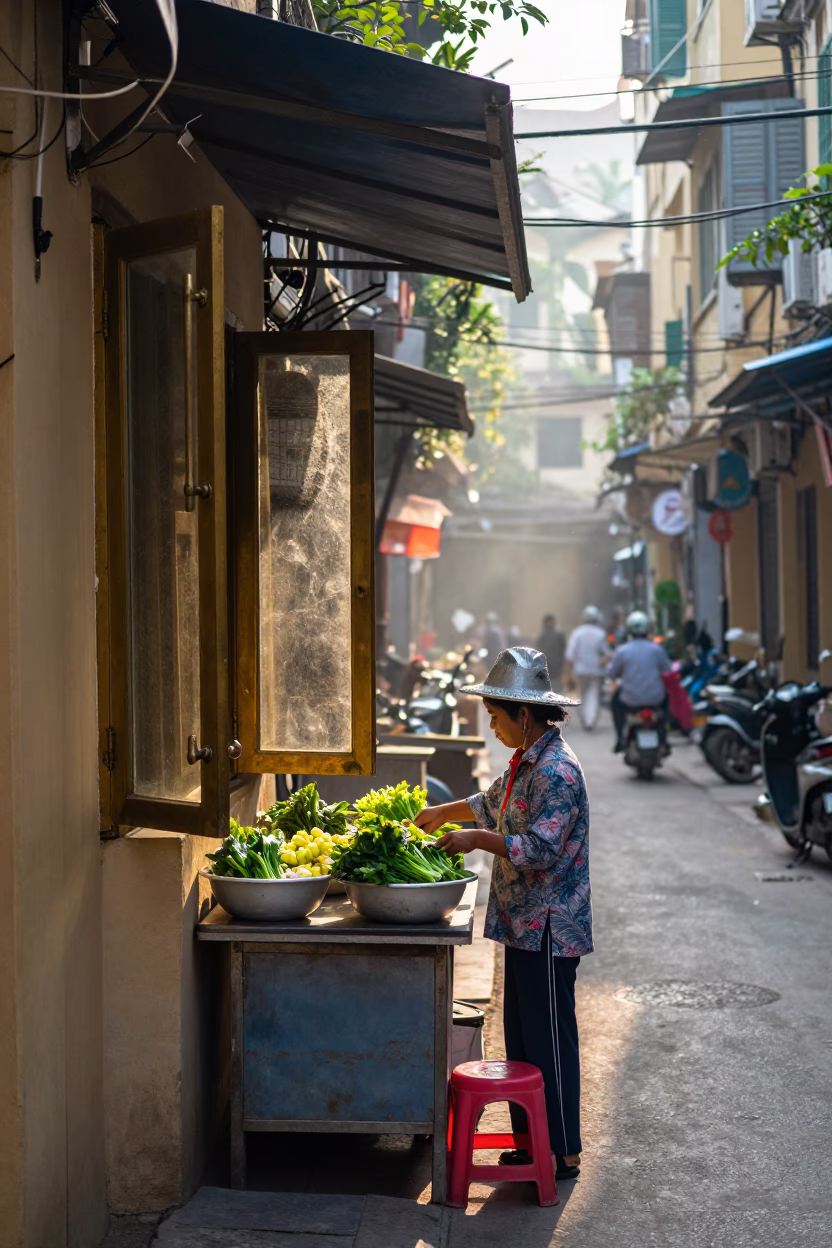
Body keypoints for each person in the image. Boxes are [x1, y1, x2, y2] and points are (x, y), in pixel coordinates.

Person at [415, 647, 591, 1182]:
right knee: (521, 1036)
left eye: (495, 718)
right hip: (521, 924)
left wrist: (474, 839)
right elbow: (491, 801)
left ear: (524, 715)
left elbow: (539, 848)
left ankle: (562, 1150)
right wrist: (441, 812)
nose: (491, 727)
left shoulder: (557, 770)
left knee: (549, 1038)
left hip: (549, 929)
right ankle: (530, 1141)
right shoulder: (524, 761)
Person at [608, 610, 672, 752]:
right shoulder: (657, 649)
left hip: (630, 700)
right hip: (655, 698)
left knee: (615, 703)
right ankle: (663, 737)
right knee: (668, 701)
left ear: (629, 630)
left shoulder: (622, 651)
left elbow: (613, 673)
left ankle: (620, 739)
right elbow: (668, 669)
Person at [564, 606, 608, 730]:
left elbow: (569, 655)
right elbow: (606, 653)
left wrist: (569, 672)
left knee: (581, 695)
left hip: (580, 671)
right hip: (596, 670)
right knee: (593, 695)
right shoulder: (601, 633)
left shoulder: (577, 633)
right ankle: (590, 721)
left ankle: (585, 719)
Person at [535, 613, 566, 686]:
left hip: (556, 665)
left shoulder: (559, 635)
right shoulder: (542, 636)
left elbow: (563, 649)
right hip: (546, 665)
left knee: (555, 685)